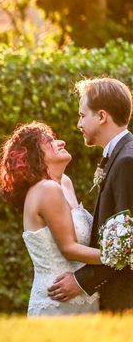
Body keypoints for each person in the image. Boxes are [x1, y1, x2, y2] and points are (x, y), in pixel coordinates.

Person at [47, 77, 133, 311]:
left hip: (125, 298)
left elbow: (126, 244)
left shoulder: (127, 161)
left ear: (102, 116)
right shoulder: (119, 156)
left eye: (82, 115)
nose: (78, 124)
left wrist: (81, 281)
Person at [0, 121, 100, 316]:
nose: (61, 142)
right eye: (50, 141)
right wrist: (116, 257)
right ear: (34, 154)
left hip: (84, 297)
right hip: (58, 303)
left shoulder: (65, 184)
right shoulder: (46, 189)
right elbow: (69, 249)